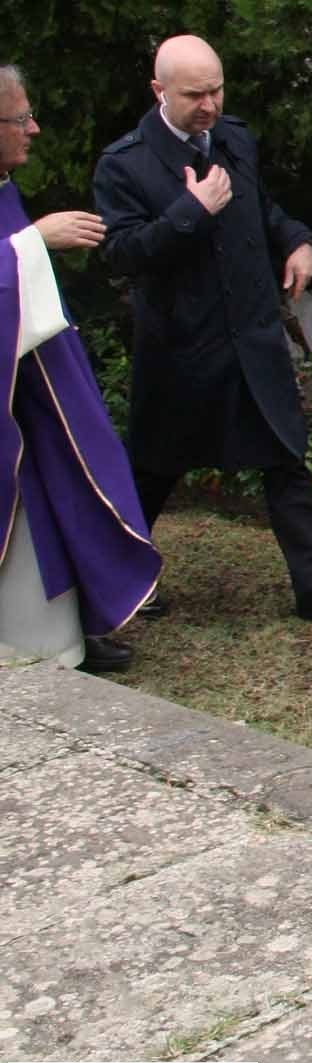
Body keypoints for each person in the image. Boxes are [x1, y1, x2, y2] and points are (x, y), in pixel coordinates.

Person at [93, 35, 312, 627]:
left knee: (285, 458)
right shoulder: (125, 164)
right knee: (152, 470)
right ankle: (111, 582)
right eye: (194, 94)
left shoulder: (235, 138)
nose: (209, 105)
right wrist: (189, 215)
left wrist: (296, 240)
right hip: (181, 349)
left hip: (251, 337)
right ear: (158, 91)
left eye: (216, 89)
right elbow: (120, 253)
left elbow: (262, 208)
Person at [0, 64, 162, 677]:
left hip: (28, 389)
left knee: (65, 491)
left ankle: (71, 628)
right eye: (20, 119)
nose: (34, 129)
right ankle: (32, 641)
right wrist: (35, 243)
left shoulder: (2, 185)